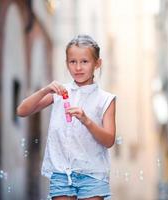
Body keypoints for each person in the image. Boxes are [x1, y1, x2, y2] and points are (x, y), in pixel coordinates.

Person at [17, 34, 116, 200]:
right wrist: (45, 90)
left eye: (84, 61)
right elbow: (22, 110)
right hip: (61, 173)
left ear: (97, 64)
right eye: (73, 62)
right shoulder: (60, 93)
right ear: (67, 63)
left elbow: (109, 140)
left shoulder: (105, 99)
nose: (78, 67)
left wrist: (87, 121)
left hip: (93, 175)